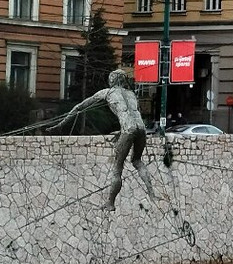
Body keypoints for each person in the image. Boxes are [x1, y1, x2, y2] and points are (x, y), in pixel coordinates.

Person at [49, 69, 156, 211]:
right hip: (141, 129)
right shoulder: (131, 94)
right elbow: (135, 116)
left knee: (117, 169)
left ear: (112, 80)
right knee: (137, 160)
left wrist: (61, 123)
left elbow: (79, 107)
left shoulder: (107, 92)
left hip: (128, 130)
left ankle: (110, 203)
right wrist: (121, 130)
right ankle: (152, 195)